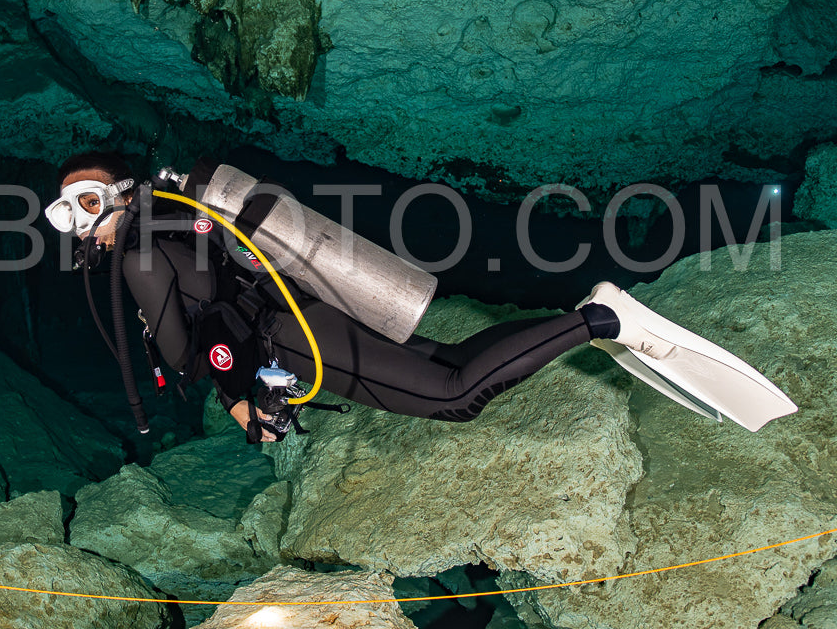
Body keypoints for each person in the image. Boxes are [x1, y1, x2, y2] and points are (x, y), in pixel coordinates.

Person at [45, 151, 796, 439]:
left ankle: (602, 319)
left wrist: (243, 400)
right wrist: (248, 385)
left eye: (86, 201)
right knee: (446, 362)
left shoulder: (138, 254)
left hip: (293, 337)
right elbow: (218, 308)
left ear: (122, 194)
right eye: (64, 210)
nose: (78, 221)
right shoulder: (164, 229)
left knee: (453, 394)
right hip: (298, 324)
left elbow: (196, 341)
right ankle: (591, 319)